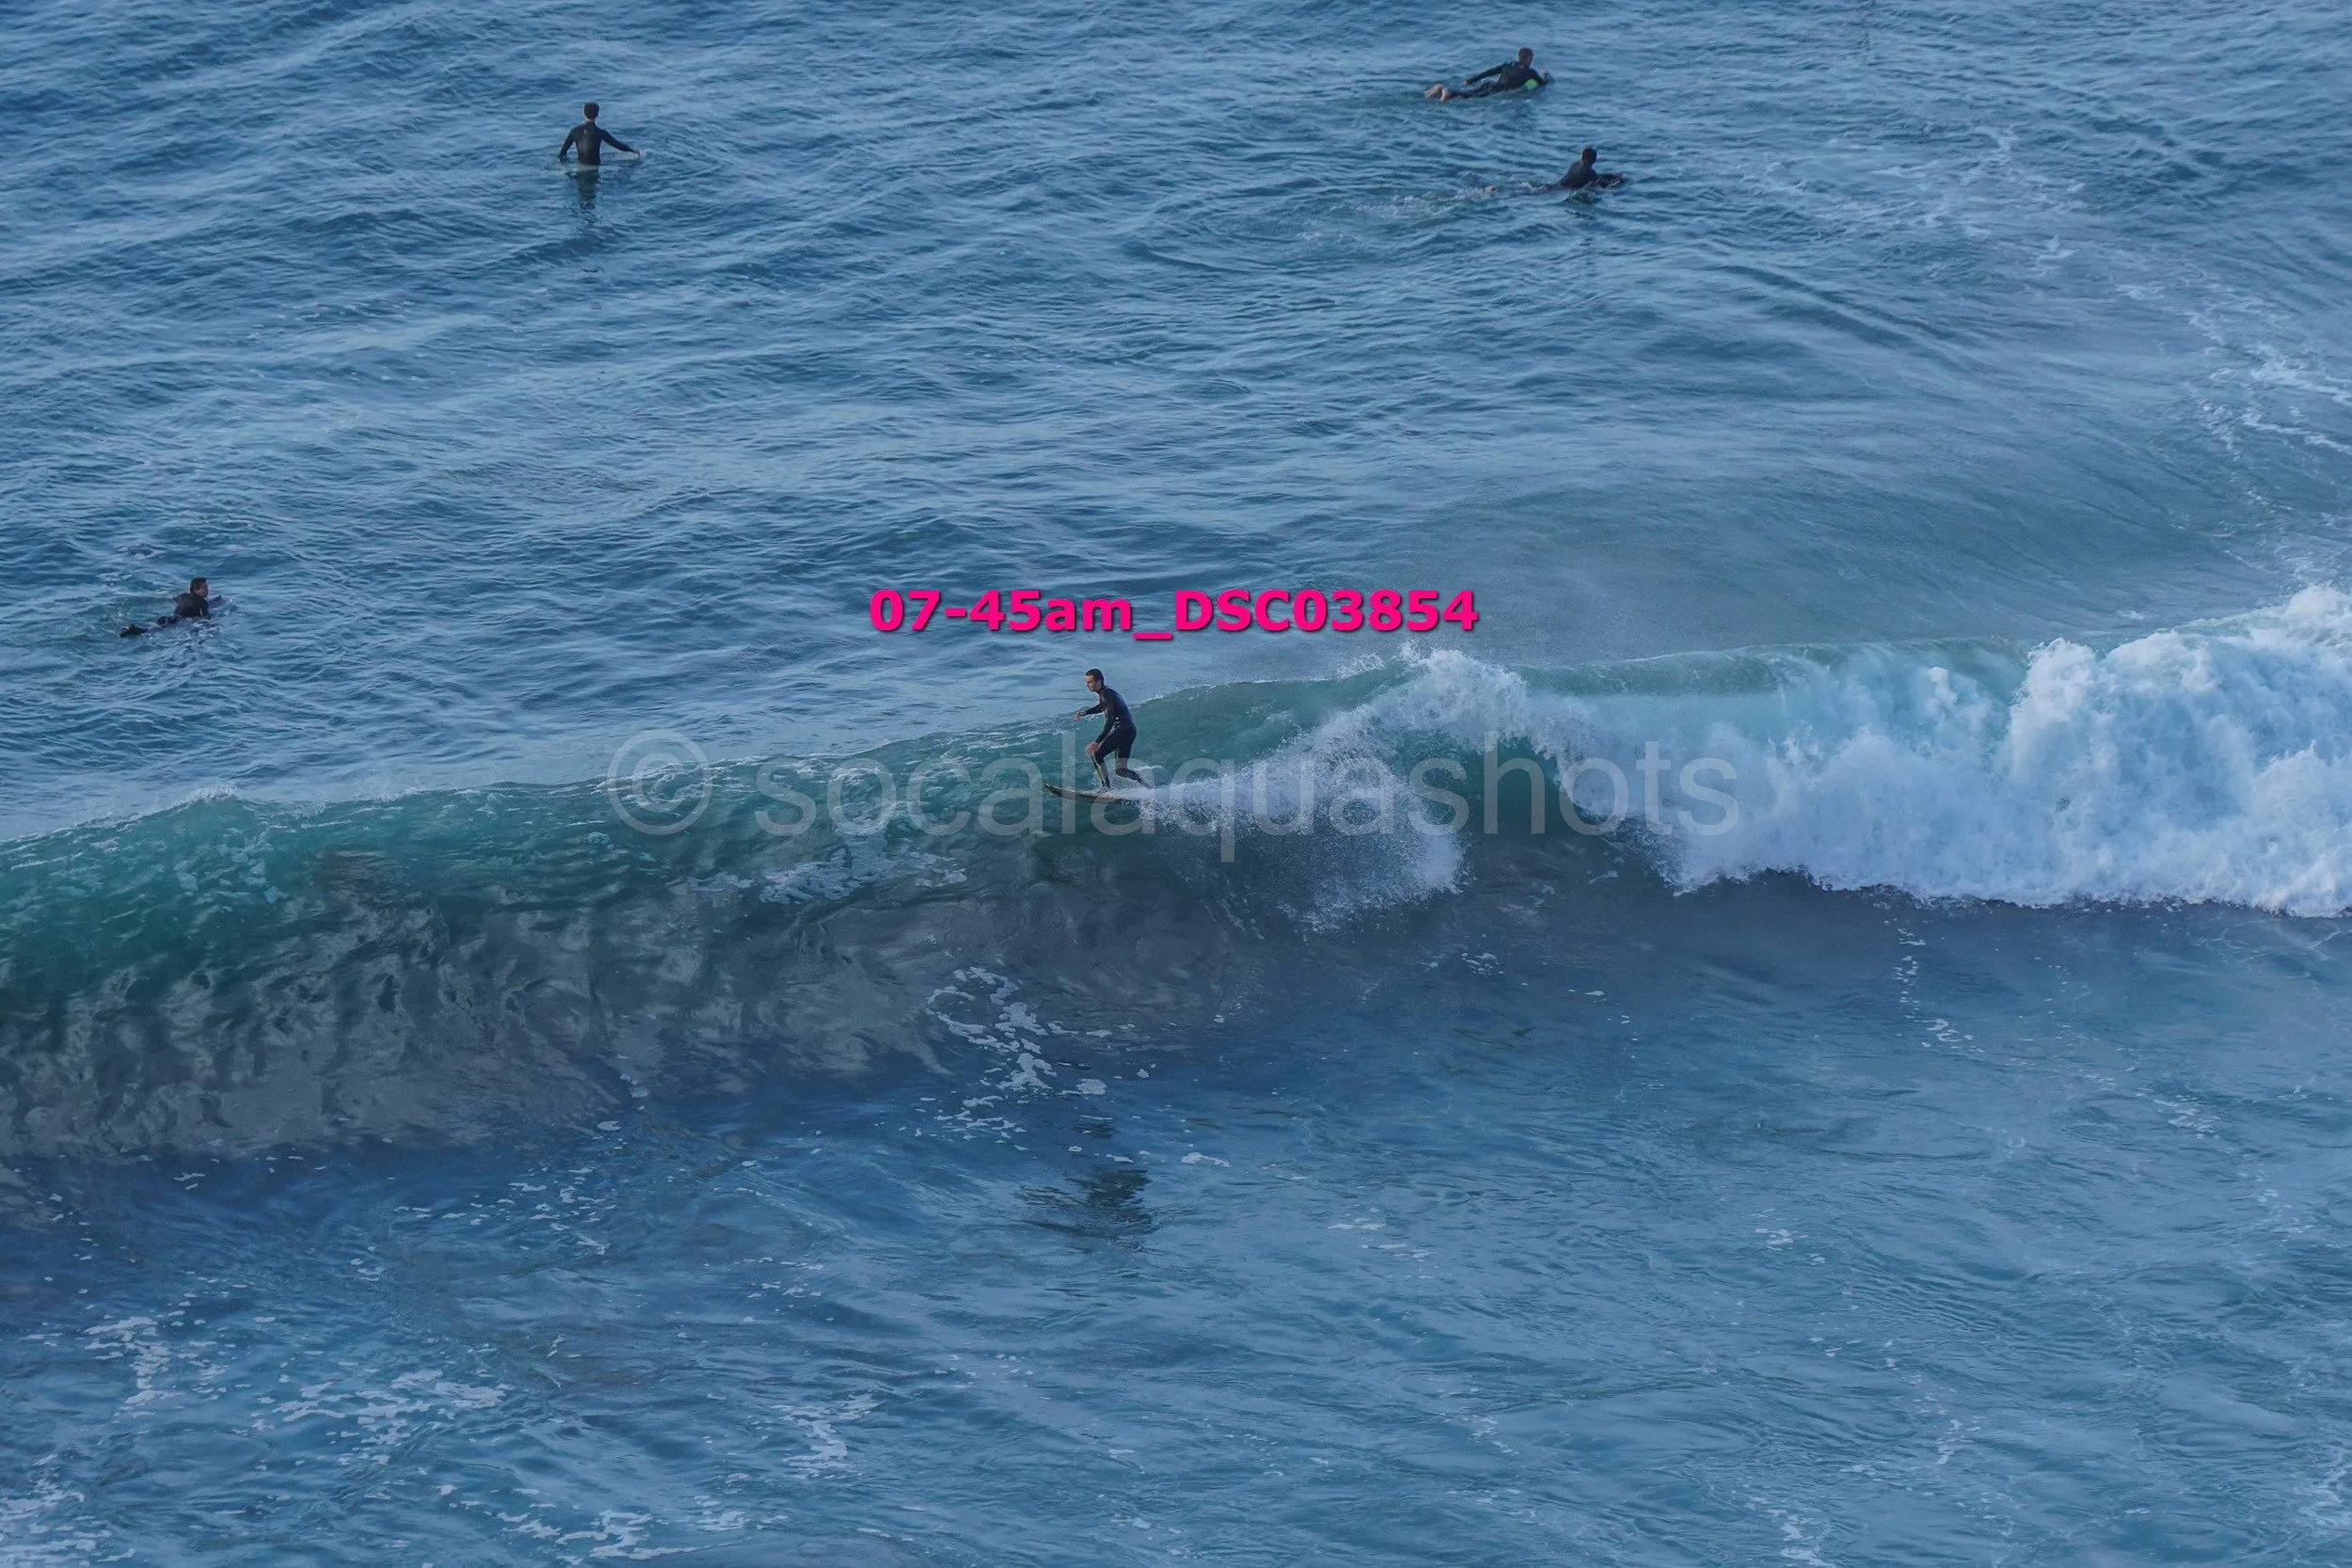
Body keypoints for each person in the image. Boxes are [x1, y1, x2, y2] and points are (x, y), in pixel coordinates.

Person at [1073, 669, 1143, 790]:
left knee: (1096, 754)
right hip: (1129, 731)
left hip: (1122, 731)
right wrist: (1086, 712)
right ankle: (1146, 787)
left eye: (1090, 682)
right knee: (1121, 770)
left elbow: (1110, 721)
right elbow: (1102, 706)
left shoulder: (1105, 695)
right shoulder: (1107, 692)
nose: (1087, 685)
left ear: (1099, 681)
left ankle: (1106, 788)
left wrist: (1097, 741)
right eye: (1086, 682)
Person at [1426, 48, 1546, 101]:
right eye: (1532, 58)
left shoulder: (1508, 65)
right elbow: (1542, 83)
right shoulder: (1530, 72)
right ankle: (1448, 92)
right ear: (1529, 58)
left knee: (1470, 92)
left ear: (1518, 57)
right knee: (1471, 96)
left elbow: (1489, 72)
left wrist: (1470, 80)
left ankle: (1440, 90)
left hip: (1489, 84)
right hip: (1497, 89)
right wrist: (1545, 76)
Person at [119, 577, 210, 637]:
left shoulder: (184, 595)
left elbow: (176, 598)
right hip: (178, 621)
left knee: (153, 627)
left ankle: (132, 629)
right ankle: (134, 630)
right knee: (153, 631)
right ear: (196, 590)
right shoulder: (202, 603)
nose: (207, 590)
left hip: (168, 617)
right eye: (205, 588)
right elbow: (205, 618)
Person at [558, 103, 637, 166]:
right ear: (597, 115)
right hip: (595, 165)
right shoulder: (600, 132)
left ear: (583, 114)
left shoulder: (574, 131)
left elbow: (563, 153)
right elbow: (616, 144)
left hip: (581, 165)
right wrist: (632, 150)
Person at [1551, 147, 1626, 191]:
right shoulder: (1588, 171)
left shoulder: (1575, 164)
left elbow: (1596, 176)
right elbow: (1607, 183)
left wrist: (1611, 175)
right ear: (1594, 160)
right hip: (1562, 191)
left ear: (1582, 157)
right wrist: (1620, 179)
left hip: (1554, 186)